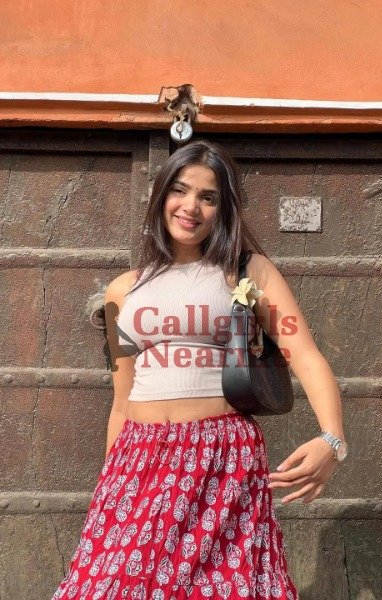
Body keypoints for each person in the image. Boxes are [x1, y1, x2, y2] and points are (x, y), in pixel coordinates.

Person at [51, 139, 346, 600]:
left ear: (223, 209)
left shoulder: (247, 272)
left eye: (208, 197)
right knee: (107, 584)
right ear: (161, 195)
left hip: (220, 456)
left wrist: (332, 439)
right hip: (138, 458)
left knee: (225, 587)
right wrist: (110, 485)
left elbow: (305, 355)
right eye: (180, 190)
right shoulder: (120, 292)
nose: (191, 207)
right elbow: (121, 400)